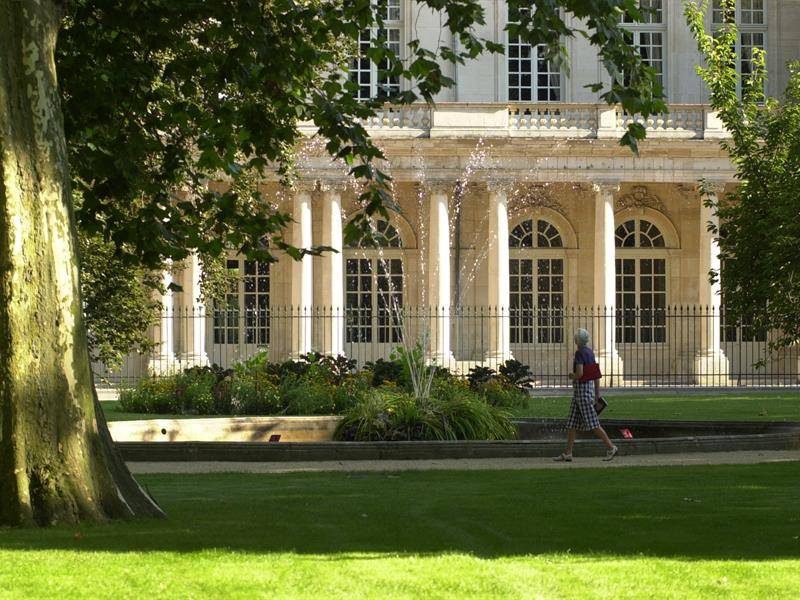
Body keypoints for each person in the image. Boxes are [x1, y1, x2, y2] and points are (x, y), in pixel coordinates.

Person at [553, 328, 618, 462]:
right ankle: (568, 453)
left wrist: (572, 376)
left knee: (593, 423)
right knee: (571, 423)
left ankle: (611, 447)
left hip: (581, 392)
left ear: (577, 340)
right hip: (586, 390)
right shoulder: (590, 352)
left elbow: (580, 374)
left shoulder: (579, 353)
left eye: (575, 338)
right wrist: (597, 394)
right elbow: (595, 375)